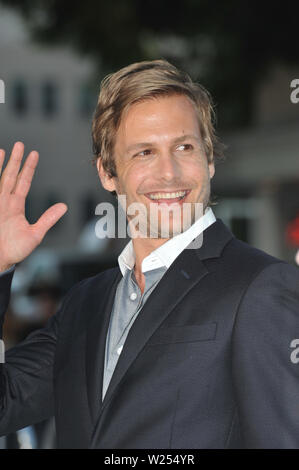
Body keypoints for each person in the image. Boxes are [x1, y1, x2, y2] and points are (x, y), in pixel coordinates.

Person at [0, 60, 299, 449]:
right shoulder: (84, 304)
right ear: (107, 172)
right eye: (144, 152)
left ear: (209, 160)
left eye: (184, 147)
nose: (169, 173)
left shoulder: (261, 287)